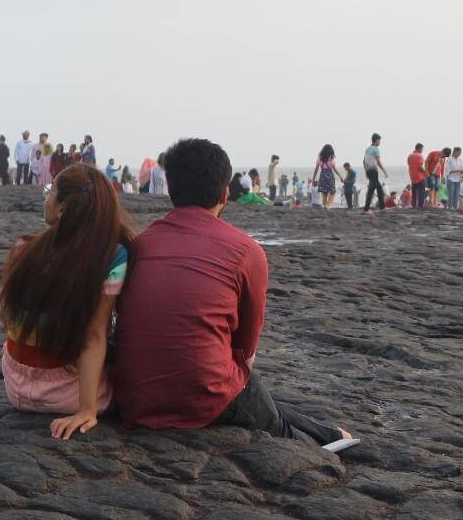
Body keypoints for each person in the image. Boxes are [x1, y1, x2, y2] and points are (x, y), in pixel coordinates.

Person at [112, 138, 352, 447]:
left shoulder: (138, 245)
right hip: (203, 399)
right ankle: (332, 441)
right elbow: (246, 347)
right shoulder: (245, 251)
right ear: (225, 193)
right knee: (265, 413)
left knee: (255, 396)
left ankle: (330, 433)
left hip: (135, 398)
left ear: (170, 188)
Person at [0, 164, 135, 439]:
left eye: (50, 192)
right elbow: (93, 337)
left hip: (15, 387)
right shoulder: (112, 257)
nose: (46, 198)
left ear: (62, 208)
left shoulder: (22, 249)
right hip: (66, 395)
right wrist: (87, 410)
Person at [362, 133, 388, 214]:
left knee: (379, 189)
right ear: (376, 140)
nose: (380, 142)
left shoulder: (368, 148)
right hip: (373, 171)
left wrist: (366, 172)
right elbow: (378, 162)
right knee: (371, 190)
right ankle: (366, 209)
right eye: (379, 140)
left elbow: (364, 161)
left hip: (369, 171)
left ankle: (382, 207)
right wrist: (384, 171)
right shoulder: (376, 149)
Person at [312, 144, 343, 210]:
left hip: (322, 176)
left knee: (324, 193)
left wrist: (313, 179)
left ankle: (325, 206)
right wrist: (340, 176)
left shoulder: (320, 158)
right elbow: (334, 169)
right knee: (333, 193)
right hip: (330, 176)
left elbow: (316, 170)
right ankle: (328, 205)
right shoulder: (331, 158)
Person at [407, 143, 427, 209]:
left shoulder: (409, 156)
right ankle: (420, 206)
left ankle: (413, 205)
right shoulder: (420, 156)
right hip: (420, 177)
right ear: (420, 148)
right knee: (421, 192)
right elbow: (420, 167)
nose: (422, 151)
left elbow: (410, 165)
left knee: (414, 192)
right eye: (422, 149)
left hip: (412, 176)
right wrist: (425, 172)